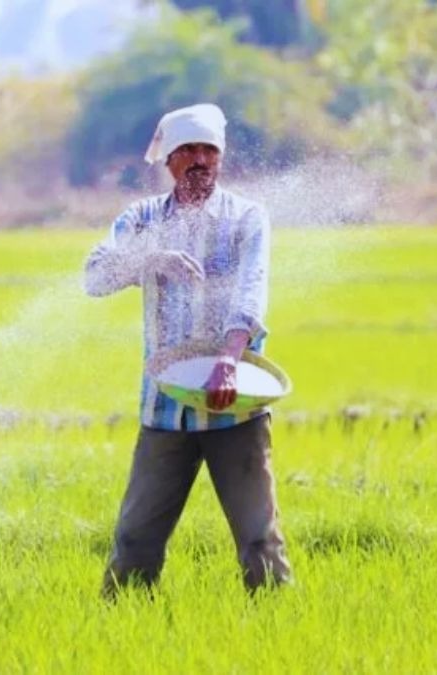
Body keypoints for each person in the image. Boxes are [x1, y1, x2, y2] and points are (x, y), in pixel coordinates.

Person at [83, 103, 292, 597]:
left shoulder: (246, 217)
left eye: (208, 150)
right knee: (134, 541)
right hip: (165, 410)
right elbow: (94, 276)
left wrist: (228, 359)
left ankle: (279, 633)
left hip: (233, 408)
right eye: (188, 151)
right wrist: (148, 258)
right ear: (169, 160)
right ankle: (119, 632)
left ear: (220, 157)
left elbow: (251, 290)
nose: (199, 159)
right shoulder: (142, 219)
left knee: (260, 542)